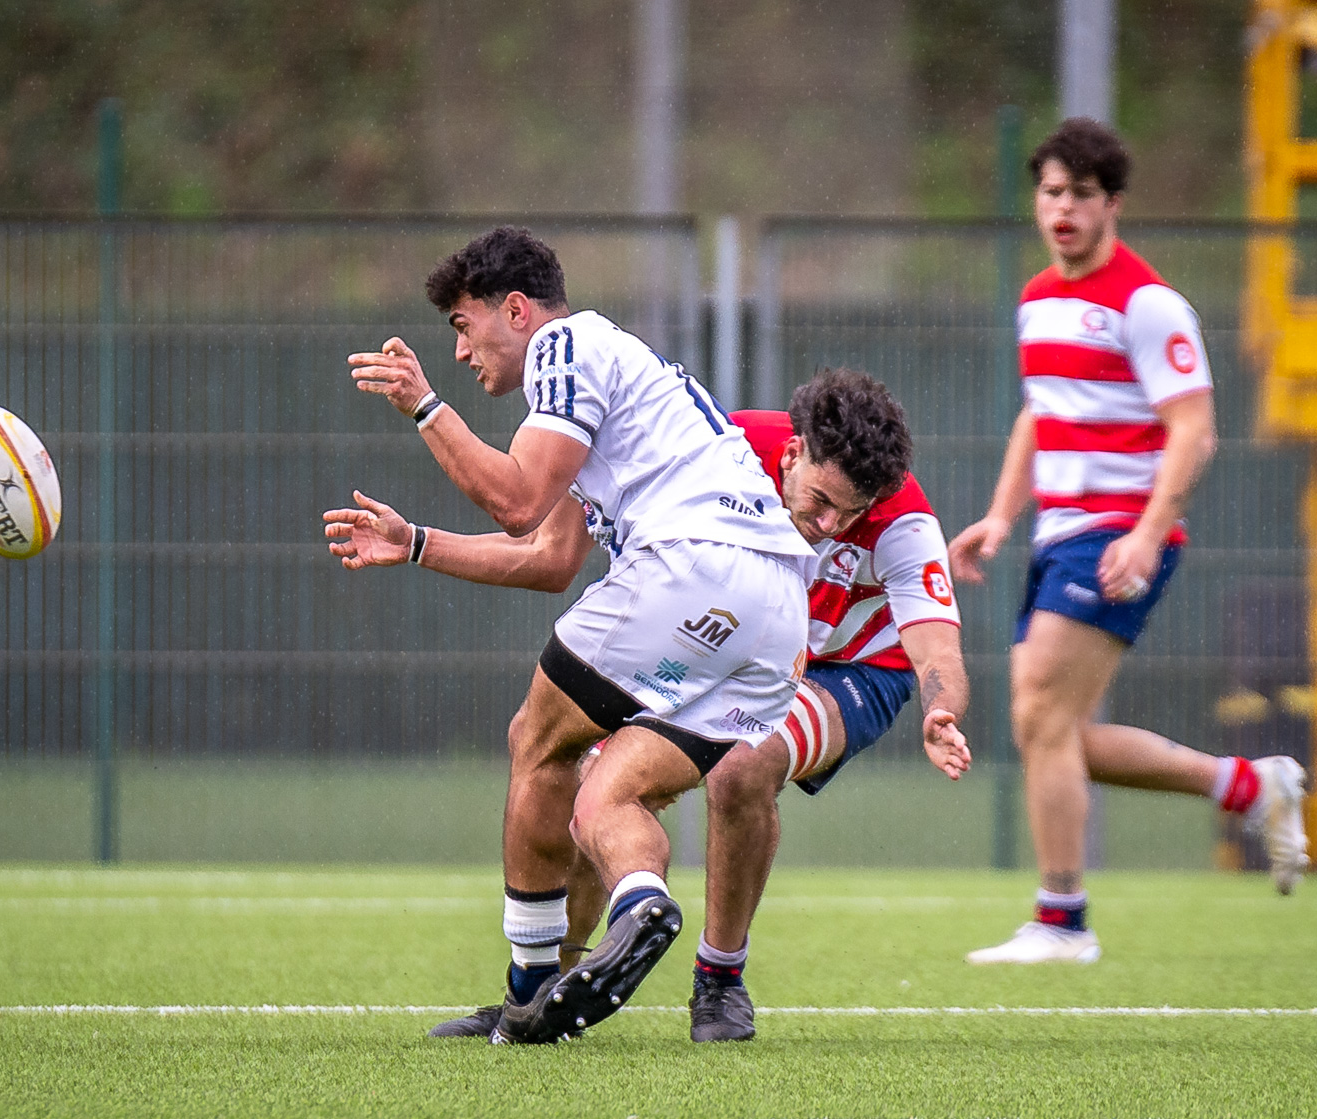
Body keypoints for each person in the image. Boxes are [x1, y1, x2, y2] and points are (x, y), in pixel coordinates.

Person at [335, 368, 974, 1042]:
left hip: (851, 669)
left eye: (850, 513)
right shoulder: (718, 450)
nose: (830, 526)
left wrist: (940, 715)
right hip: (726, 649)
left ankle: (720, 980)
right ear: (790, 454)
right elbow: (549, 553)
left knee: (741, 768)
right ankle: (546, 990)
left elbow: (937, 655)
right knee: (591, 789)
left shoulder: (903, 522)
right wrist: (419, 543)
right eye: (820, 502)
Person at [337, 225, 815, 1043]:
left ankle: (528, 988)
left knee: (536, 736)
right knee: (605, 790)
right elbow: (551, 555)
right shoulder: (615, 383)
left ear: (516, 311)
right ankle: (640, 898)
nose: (459, 352)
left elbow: (518, 499)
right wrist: (416, 541)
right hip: (774, 613)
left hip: (690, 564)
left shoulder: (564, 347)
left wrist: (424, 406)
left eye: (462, 324)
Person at [947, 117, 1308, 967]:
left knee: (1037, 707)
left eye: (1080, 193)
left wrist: (1148, 534)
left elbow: (1195, 430)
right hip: (1060, 535)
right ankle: (1251, 785)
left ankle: (1063, 921)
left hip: (1119, 535)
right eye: (1050, 192)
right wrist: (1002, 516)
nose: (1063, 208)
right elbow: (1043, 414)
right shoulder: (1038, 299)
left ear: (1112, 203)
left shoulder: (1148, 304)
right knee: (1053, 727)